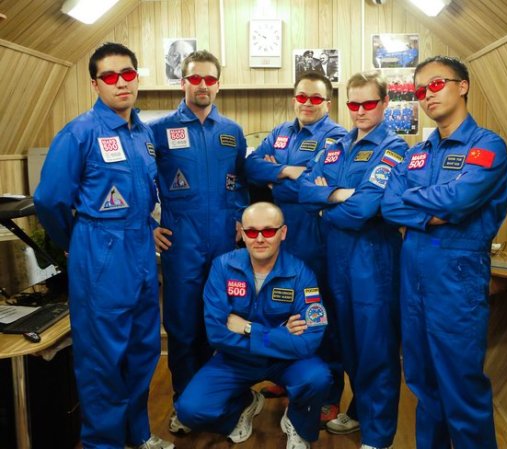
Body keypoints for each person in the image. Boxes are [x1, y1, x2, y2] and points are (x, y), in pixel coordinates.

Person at [33, 43, 173, 449]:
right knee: (103, 358)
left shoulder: (143, 134)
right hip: (100, 253)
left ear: (137, 77)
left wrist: (148, 227)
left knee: (143, 348)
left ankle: (137, 434)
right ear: (95, 84)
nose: (121, 82)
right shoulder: (80, 133)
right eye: (110, 76)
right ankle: (103, 443)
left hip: (141, 252)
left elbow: (142, 195)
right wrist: (74, 242)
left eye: (127, 73)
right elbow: (49, 200)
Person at [381, 55, 507, 449]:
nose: (427, 95)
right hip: (414, 280)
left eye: (436, 84)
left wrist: (417, 201)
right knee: (423, 384)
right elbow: (389, 205)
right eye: (420, 90)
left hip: (456, 280)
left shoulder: (487, 146)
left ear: (463, 86)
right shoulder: (417, 152)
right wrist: (433, 214)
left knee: (461, 389)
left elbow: (459, 199)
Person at [299, 70, 408, 449]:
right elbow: (303, 190)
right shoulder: (337, 144)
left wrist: (325, 203)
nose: (360, 111)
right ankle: (361, 411)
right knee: (347, 345)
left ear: (385, 103)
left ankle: (378, 437)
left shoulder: (394, 148)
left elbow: (364, 209)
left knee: (376, 350)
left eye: (369, 103)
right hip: (336, 261)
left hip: (373, 263)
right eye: (353, 104)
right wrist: (339, 194)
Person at [171, 202, 331, 449]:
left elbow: (309, 341)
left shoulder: (301, 274)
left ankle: (298, 423)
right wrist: (281, 335)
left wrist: (249, 329)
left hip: (285, 361)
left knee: (318, 378)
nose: (260, 238)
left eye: (268, 231)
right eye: (252, 231)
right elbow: (217, 334)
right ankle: (243, 405)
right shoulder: (223, 267)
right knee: (190, 411)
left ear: (283, 232)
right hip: (237, 358)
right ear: (242, 233)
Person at [149, 49, 249, 427]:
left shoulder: (232, 132)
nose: (202, 85)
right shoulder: (159, 131)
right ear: (183, 82)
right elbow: (139, 181)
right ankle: (184, 403)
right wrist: (146, 224)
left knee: (222, 322)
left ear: (218, 84)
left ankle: (220, 400)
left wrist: (241, 217)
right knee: (183, 327)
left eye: (209, 79)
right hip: (182, 244)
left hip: (225, 244)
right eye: (195, 78)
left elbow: (242, 182)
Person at [245, 71, 346, 424]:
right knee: (283, 310)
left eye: (315, 98)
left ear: (327, 103)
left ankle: (328, 394)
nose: (307, 103)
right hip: (281, 239)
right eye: (302, 97)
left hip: (317, 239)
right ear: (294, 99)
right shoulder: (280, 132)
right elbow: (251, 166)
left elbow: (318, 185)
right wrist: (289, 171)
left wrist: (278, 178)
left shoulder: (337, 138)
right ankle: (288, 378)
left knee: (321, 316)